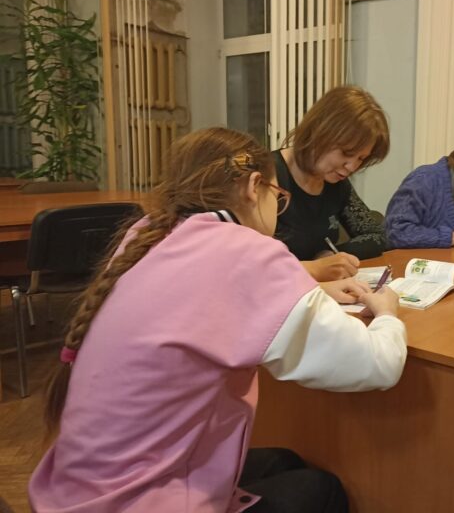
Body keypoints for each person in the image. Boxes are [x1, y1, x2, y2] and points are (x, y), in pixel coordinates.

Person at [29, 127, 407, 513]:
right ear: (254, 187)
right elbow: (375, 364)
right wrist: (387, 313)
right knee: (321, 488)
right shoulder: (246, 251)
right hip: (134, 501)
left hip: (78, 489)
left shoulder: (147, 234)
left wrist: (312, 290)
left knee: (285, 461)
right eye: (278, 198)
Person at [274, 86, 389, 281]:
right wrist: (315, 267)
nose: (352, 166)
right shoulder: (269, 178)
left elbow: (376, 235)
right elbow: (251, 264)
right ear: (320, 133)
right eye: (346, 153)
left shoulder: (336, 183)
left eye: (361, 158)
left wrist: (331, 255)